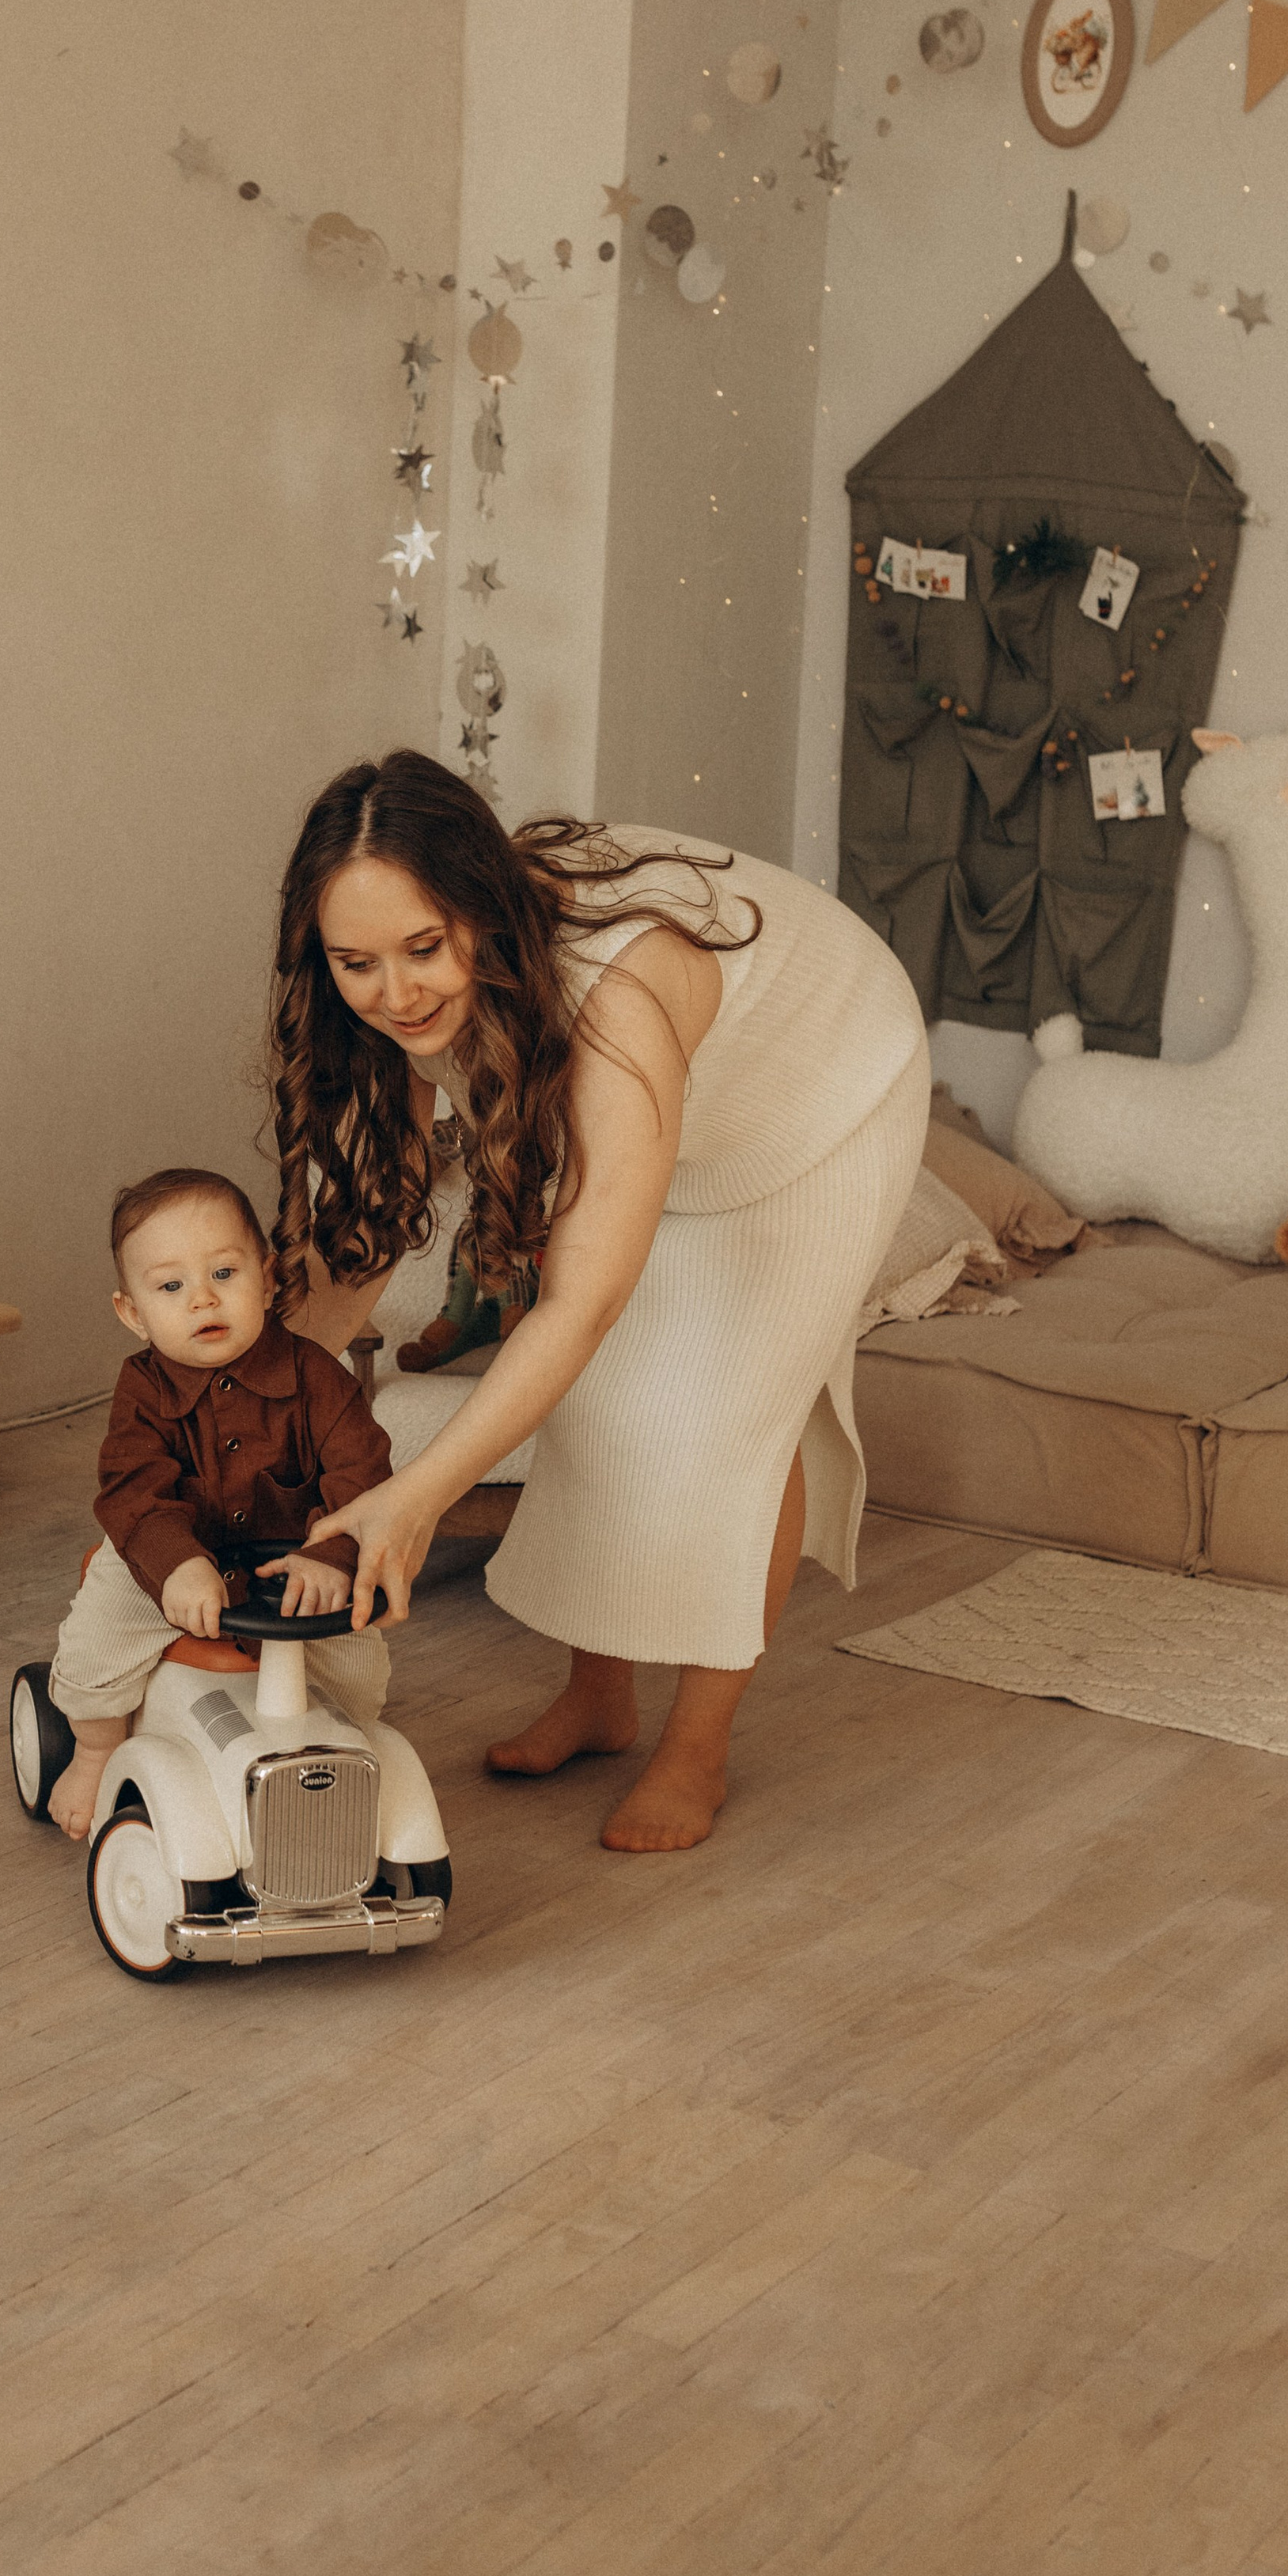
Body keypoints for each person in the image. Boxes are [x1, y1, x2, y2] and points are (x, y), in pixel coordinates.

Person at [271, 752, 927, 1854]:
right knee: (600, 1407)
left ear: (481, 911)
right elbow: (357, 1249)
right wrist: (226, 1419)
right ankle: (600, 1700)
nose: (396, 994)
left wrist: (418, 1495)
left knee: (737, 1424)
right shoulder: (391, 1012)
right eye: (357, 963)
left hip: (823, 1090)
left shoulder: (613, 1006)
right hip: (671, 1101)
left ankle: (697, 1751)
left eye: (426, 949)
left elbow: (580, 1305)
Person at [45, 1165, 393, 1839]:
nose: (202, 1300)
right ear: (133, 1313)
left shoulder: (318, 1376)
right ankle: (93, 1751)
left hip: (291, 1564)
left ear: (267, 1279)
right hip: (164, 1556)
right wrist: (175, 1562)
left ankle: (338, 1754)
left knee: (360, 1671)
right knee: (95, 1646)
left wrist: (335, 1553)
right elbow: (131, 1486)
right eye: (172, 1287)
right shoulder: (142, 1388)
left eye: (224, 1276)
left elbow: (363, 1470)